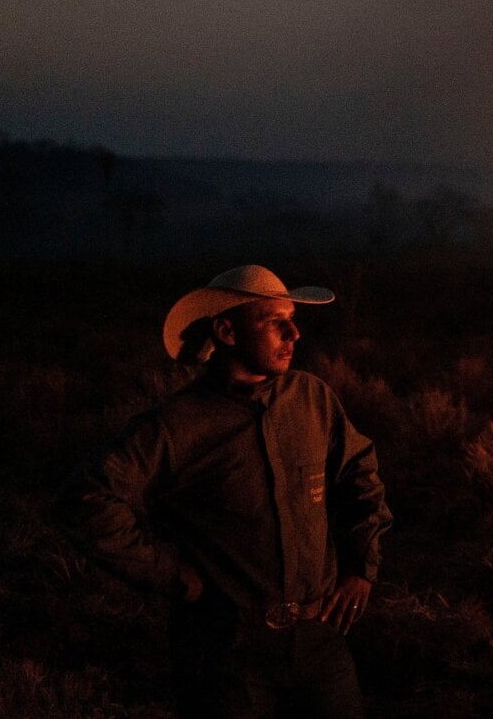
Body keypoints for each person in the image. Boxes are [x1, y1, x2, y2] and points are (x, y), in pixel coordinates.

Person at [59, 265, 392, 719]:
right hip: (227, 653)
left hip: (320, 638)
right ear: (227, 331)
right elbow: (86, 498)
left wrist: (362, 567)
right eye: (274, 321)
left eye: (292, 320)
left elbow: (359, 470)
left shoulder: (311, 398)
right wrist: (174, 576)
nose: (294, 334)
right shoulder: (177, 425)